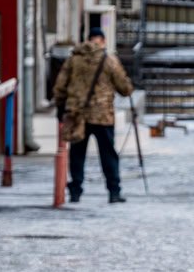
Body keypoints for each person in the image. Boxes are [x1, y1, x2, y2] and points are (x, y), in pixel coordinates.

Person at [53, 27, 135, 204]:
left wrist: (61, 107)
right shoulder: (108, 60)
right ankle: (114, 191)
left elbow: (60, 86)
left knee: (77, 154)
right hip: (102, 116)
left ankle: (75, 190)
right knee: (108, 154)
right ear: (103, 40)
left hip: (77, 114)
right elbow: (125, 88)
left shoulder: (73, 59)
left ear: (87, 39)